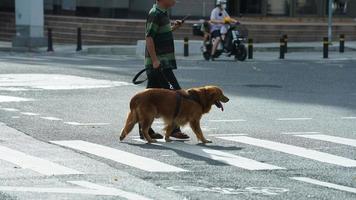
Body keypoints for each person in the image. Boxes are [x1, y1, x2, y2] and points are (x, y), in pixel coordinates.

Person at [141, 0, 190, 140]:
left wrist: (174, 27)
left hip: (162, 63)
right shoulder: (155, 14)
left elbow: (158, 34)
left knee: (148, 99)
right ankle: (174, 130)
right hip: (159, 64)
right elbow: (149, 37)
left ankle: (145, 130)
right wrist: (155, 60)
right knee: (175, 95)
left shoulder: (163, 13)